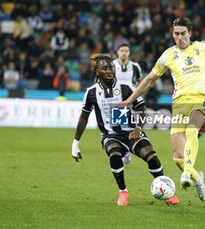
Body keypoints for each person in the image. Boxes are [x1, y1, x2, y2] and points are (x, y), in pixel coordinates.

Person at [120, 16, 205, 201]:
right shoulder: (168, 55)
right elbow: (149, 80)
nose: (179, 37)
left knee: (192, 130)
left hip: (201, 100)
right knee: (178, 158)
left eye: (183, 33)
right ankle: (197, 177)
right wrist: (130, 99)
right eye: (176, 34)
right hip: (179, 105)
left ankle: (186, 174)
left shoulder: (204, 48)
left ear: (190, 33)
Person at [71, 55, 179, 205]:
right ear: (97, 72)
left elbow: (142, 109)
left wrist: (138, 128)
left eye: (111, 68)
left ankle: (165, 190)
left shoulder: (126, 87)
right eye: (104, 68)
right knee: (115, 155)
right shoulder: (91, 92)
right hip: (111, 135)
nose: (109, 71)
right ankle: (123, 192)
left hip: (131, 133)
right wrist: (75, 144)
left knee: (152, 157)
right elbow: (83, 117)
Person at [113, 43, 143, 164]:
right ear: (118, 52)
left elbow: (140, 80)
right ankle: (124, 152)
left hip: (132, 100)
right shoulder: (112, 65)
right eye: (122, 50)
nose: (124, 53)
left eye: (126, 50)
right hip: (118, 101)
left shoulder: (135, 66)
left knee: (131, 126)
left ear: (129, 53)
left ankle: (126, 151)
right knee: (120, 129)